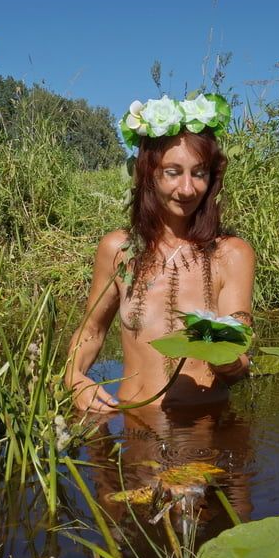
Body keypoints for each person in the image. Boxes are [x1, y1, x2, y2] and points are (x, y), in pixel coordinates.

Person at [65, 94, 255, 412]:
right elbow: (92, 330)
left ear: (212, 178)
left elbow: (240, 355)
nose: (186, 188)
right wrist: (74, 377)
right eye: (172, 172)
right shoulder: (118, 250)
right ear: (149, 173)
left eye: (199, 173)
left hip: (204, 429)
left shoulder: (231, 255)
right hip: (129, 421)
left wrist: (231, 363)